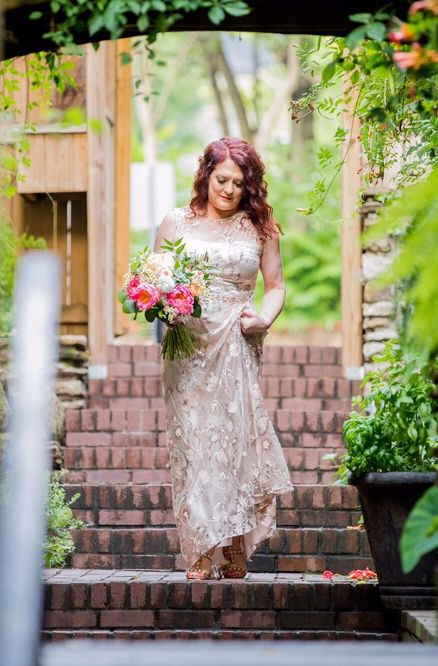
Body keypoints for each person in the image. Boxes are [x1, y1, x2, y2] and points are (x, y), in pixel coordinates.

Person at [153, 137, 293, 580]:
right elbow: (153, 279)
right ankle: (198, 548)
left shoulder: (260, 229)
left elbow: (276, 286)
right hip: (187, 347)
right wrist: (162, 305)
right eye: (221, 180)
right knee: (194, 444)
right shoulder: (175, 222)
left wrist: (263, 319)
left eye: (238, 183)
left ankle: (235, 545)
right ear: (205, 176)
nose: (229, 190)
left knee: (234, 441)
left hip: (236, 341)